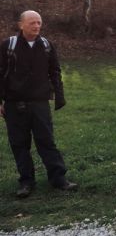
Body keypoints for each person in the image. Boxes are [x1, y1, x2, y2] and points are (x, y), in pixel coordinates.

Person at [0, 10, 77, 198]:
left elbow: (55, 72)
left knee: (47, 141)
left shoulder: (47, 45)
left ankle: (58, 179)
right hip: (14, 104)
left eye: (39, 23)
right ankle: (26, 182)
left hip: (40, 103)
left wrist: (59, 97)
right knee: (19, 144)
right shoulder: (8, 45)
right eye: (32, 23)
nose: (36, 26)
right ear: (21, 25)